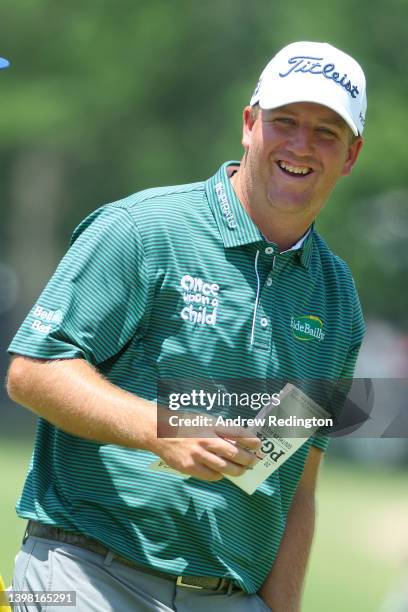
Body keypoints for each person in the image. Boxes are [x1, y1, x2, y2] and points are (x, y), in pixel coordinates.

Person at [6, 41, 367, 611]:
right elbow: (33, 372)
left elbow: (296, 481)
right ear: (250, 126)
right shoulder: (143, 229)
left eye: (327, 132)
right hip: (86, 575)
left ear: (350, 155)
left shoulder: (337, 298)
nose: (301, 145)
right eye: (286, 122)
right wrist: (161, 429)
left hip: (228, 598)